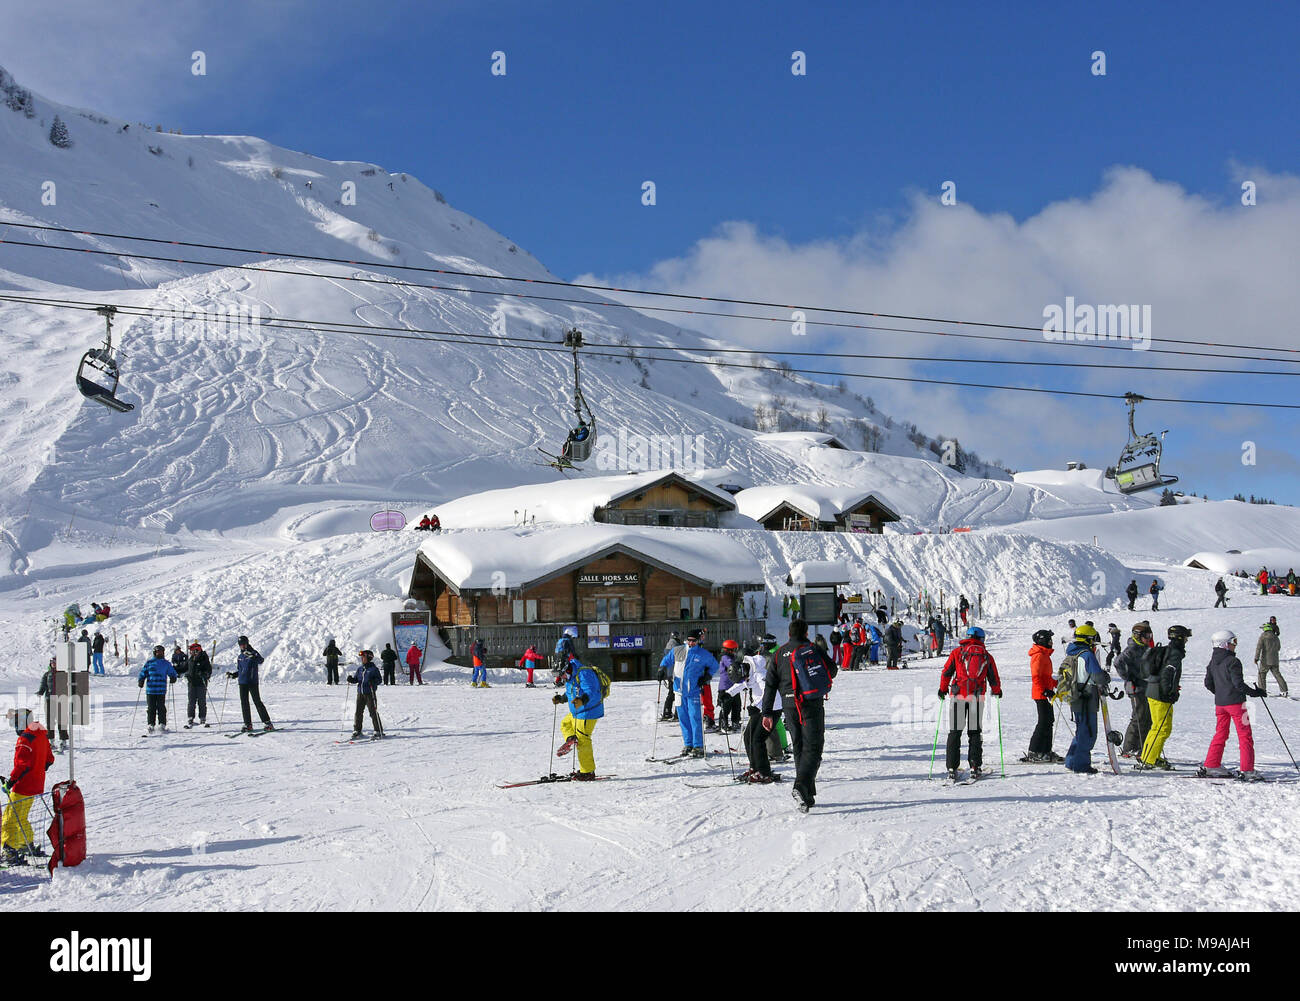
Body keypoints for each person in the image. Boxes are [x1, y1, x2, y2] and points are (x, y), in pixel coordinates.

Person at [765, 619, 838, 811]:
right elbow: (833, 670)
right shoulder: (812, 648)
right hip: (810, 703)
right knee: (813, 748)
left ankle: (807, 795)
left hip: (789, 705)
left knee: (799, 747)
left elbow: (770, 684)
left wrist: (767, 712)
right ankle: (801, 786)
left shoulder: (779, 653)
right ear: (806, 633)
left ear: (789, 634)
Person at [1200, 630, 1265, 780]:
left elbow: (1208, 683)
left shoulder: (1212, 662)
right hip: (1237, 705)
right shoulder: (1233, 661)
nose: (1235, 645)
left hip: (1220, 705)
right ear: (1224, 644)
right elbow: (1238, 684)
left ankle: (1212, 765)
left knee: (1221, 733)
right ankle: (1247, 770)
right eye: (1233, 642)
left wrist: (1221, 693)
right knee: (1245, 735)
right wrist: (1255, 692)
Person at [938, 626, 1002, 779]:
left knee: (955, 732)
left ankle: (952, 768)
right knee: (974, 732)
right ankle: (975, 766)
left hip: (958, 696)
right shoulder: (986, 655)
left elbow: (946, 672)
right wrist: (997, 690)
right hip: (977, 697)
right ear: (981, 639)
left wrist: (942, 689)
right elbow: (993, 676)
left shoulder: (957, 653)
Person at [2, 708, 54, 865]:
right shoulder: (41, 735)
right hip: (36, 785)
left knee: (9, 819)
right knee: (21, 816)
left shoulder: (25, 739)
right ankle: (26, 844)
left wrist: (10, 782)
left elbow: (22, 765)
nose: (15, 729)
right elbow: (49, 760)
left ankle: (10, 851)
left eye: (16, 724)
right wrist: (37, 770)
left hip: (23, 787)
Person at [1136, 625, 1190, 771]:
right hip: (1160, 694)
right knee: (1162, 728)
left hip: (1153, 690)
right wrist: (1169, 692)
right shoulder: (1175, 653)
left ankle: (1150, 756)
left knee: (1157, 726)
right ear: (1179, 638)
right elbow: (1168, 673)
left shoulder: (1168, 650)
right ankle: (1148, 759)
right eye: (1185, 638)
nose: (1186, 641)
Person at [658, 628, 718, 757]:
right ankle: (688, 744)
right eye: (689, 640)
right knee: (683, 719)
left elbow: (714, 665)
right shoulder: (678, 650)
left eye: (694, 641)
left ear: (698, 641)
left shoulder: (703, 654)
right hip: (678, 691)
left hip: (693, 691)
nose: (691, 643)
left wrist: (707, 676)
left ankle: (698, 746)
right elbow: (667, 659)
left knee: (695, 718)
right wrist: (662, 668)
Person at [728, 637, 780, 783]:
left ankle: (764, 772)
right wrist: (727, 694)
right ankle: (755, 768)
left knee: (758, 739)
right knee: (748, 736)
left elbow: (768, 694)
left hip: (772, 709)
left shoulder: (761, 674)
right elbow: (743, 684)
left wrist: (755, 707)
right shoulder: (748, 669)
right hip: (761, 709)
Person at [552, 651, 605, 779]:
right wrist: (561, 698)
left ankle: (588, 772)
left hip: (589, 711)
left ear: (567, 668)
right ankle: (571, 738)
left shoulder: (584, 673)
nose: (561, 678)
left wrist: (582, 700)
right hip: (578, 711)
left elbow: (592, 691)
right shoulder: (570, 677)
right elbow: (571, 693)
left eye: (561, 675)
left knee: (583, 739)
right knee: (565, 723)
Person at [1113, 621, 1154, 757]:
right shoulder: (1132, 649)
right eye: (1146, 635)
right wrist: (1129, 678)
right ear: (1137, 635)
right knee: (1139, 717)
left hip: (1145, 686)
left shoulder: (1144, 647)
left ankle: (1141, 747)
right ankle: (1129, 748)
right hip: (1135, 688)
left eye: (1150, 635)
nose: (1148, 638)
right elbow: (1118, 662)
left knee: (1147, 718)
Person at [1022, 629, 1061, 762]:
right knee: (1043, 722)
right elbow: (1036, 677)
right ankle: (1034, 751)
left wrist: (1057, 683)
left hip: (1046, 693)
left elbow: (1046, 676)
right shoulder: (1038, 655)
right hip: (1040, 694)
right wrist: (1044, 690)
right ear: (1043, 640)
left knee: (1049, 721)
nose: (1051, 642)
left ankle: (1046, 751)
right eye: (1049, 639)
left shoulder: (1044, 655)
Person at [226, 635, 274, 733]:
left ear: (247, 643)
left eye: (244, 644)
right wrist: (233, 675)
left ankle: (267, 722)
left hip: (252, 682)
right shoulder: (240, 657)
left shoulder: (253, 652)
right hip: (242, 682)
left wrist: (253, 656)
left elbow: (261, 660)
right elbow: (241, 670)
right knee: (244, 703)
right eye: (241, 645)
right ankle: (248, 724)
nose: (242, 646)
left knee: (257, 701)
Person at [137, 644, 178, 734]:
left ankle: (162, 724)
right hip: (151, 689)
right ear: (154, 653)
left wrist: (173, 677)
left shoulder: (166, 663)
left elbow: (172, 672)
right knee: (151, 707)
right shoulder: (149, 663)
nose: (159, 653)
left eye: (161, 652)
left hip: (161, 690)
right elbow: (143, 672)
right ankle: (151, 724)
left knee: (161, 707)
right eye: (157, 652)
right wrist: (141, 679)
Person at [347, 650, 384, 740]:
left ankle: (378, 730)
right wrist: (351, 679)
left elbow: (379, 680)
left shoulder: (373, 669)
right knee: (358, 712)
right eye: (361, 657)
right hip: (360, 693)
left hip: (370, 693)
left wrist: (373, 681)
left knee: (373, 712)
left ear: (369, 658)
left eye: (363, 657)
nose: (362, 659)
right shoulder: (360, 669)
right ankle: (357, 730)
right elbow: (356, 679)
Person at [35, 658, 69, 752]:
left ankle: (63, 740)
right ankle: (51, 741)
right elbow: (43, 685)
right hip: (49, 699)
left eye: (55, 662)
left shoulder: (63, 674)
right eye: (52, 663)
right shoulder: (47, 674)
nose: (54, 664)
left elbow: (69, 685)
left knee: (61, 720)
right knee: (50, 721)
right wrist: (40, 692)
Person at [180, 641, 212, 727]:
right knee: (191, 701)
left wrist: (204, 674)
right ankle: (190, 717)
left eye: (192, 650)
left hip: (201, 683)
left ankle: (202, 717)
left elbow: (209, 670)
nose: (191, 652)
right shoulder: (191, 659)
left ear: (197, 650)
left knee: (201, 701)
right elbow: (184, 668)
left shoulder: (204, 658)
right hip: (191, 683)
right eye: (190, 651)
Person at [1254, 621, 1288, 697]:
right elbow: (1278, 648)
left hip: (1265, 660)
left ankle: (1262, 691)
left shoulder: (1263, 636)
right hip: (1275, 660)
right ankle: (1284, 691)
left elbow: (1259, 647)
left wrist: (1256, 658)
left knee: (1262, 674)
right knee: (1277, 675)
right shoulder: (1276, 637)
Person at [716, 639, 742, 732]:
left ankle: (735, 722)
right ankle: (723, 724)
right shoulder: (725, 657)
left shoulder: (732, 657)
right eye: (734, 649)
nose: (736, 651)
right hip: (725, 687)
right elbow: (733, 666)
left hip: (734, 687)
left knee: (737, 706)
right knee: (726, 707)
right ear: (729, 650)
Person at [659, 632, 683, 721]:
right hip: (676, 673)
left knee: (671, 693)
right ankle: (678, 714)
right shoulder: (676, 647)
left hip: (670, 674)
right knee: (678, 693)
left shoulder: (668, 646)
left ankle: (667, 711)